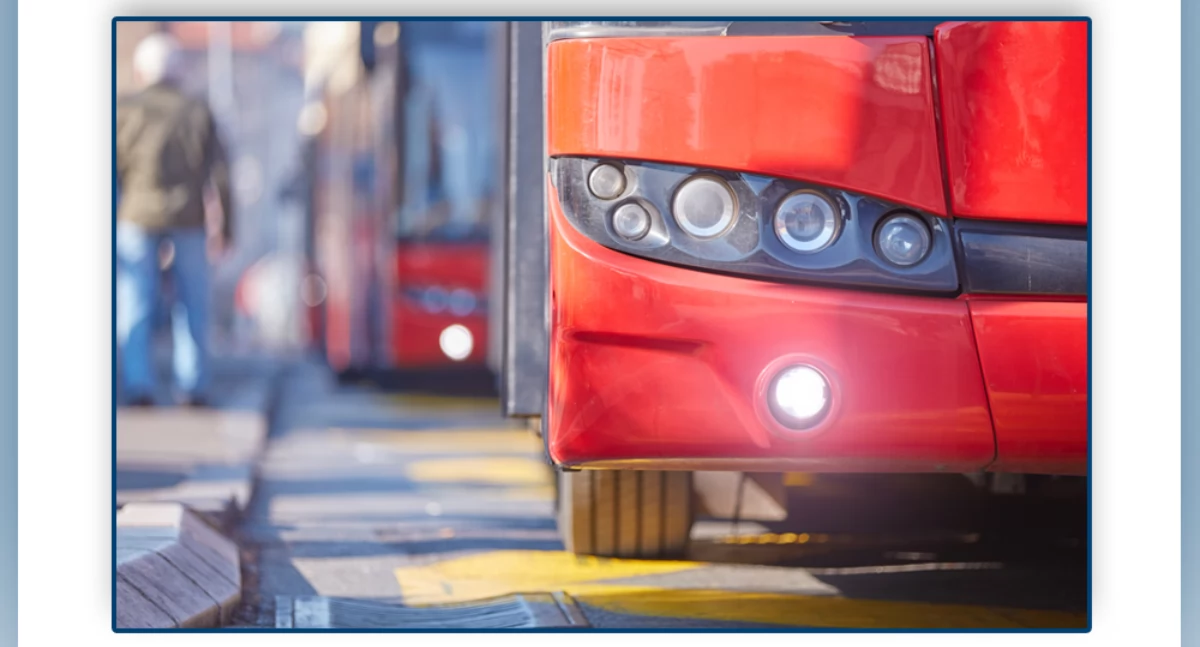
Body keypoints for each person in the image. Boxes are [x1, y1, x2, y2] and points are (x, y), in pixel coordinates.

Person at [116, 32, 233, 407]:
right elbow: (220, 175)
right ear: (179, 71)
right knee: (192, 303)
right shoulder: (197, 111)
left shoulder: (124, 110)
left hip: (136, 216)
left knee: (135, 301)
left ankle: (138, 383)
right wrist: (227, 228)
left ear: (141, 71)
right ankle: (192, 385)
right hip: (188, 218)